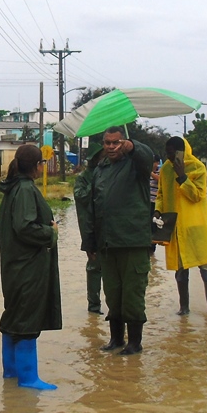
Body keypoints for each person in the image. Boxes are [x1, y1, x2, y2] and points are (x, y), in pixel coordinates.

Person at [83, 126, 154, 355]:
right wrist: (90, 242)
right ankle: (116, 338)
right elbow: (94, 207)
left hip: (132, 241)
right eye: (107, 143)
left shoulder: (136, 165)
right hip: (107, 243)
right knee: (112, 293)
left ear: (124, 142)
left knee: (132, 294)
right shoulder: (100, 170)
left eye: (116, 142)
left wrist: (134, 147)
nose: (112, 147)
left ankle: (135, 342)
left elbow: (147, 156)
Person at [0, 144, 62, 390]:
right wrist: (51, 232)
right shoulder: (24, 189)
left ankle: (11, 373)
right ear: (37, 166)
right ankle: (28, 378)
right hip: (27, 268)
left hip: (15, 265)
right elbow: (25, 227)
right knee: (25, 319)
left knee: (14, 315)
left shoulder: (13, 188)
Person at [155, 137, 207, 316]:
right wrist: (158, 211)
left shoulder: (198, 167)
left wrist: (182, 177)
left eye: (172, 153)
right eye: (166, 153)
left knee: (205, 268)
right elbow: (161, 194)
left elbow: (197, 195)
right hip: (175, 227)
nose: (168, 157)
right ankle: (184, 308)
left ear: (181, 152)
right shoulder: (166, 169)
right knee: (181, 270)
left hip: (196, 226)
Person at [74, 144, 103, 314]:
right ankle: (94, 305)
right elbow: (80, 197)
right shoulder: (84, 177)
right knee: (94, 266)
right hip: (91, 229)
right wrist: (95, 184)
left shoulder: (111, 173)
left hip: (111, 229)